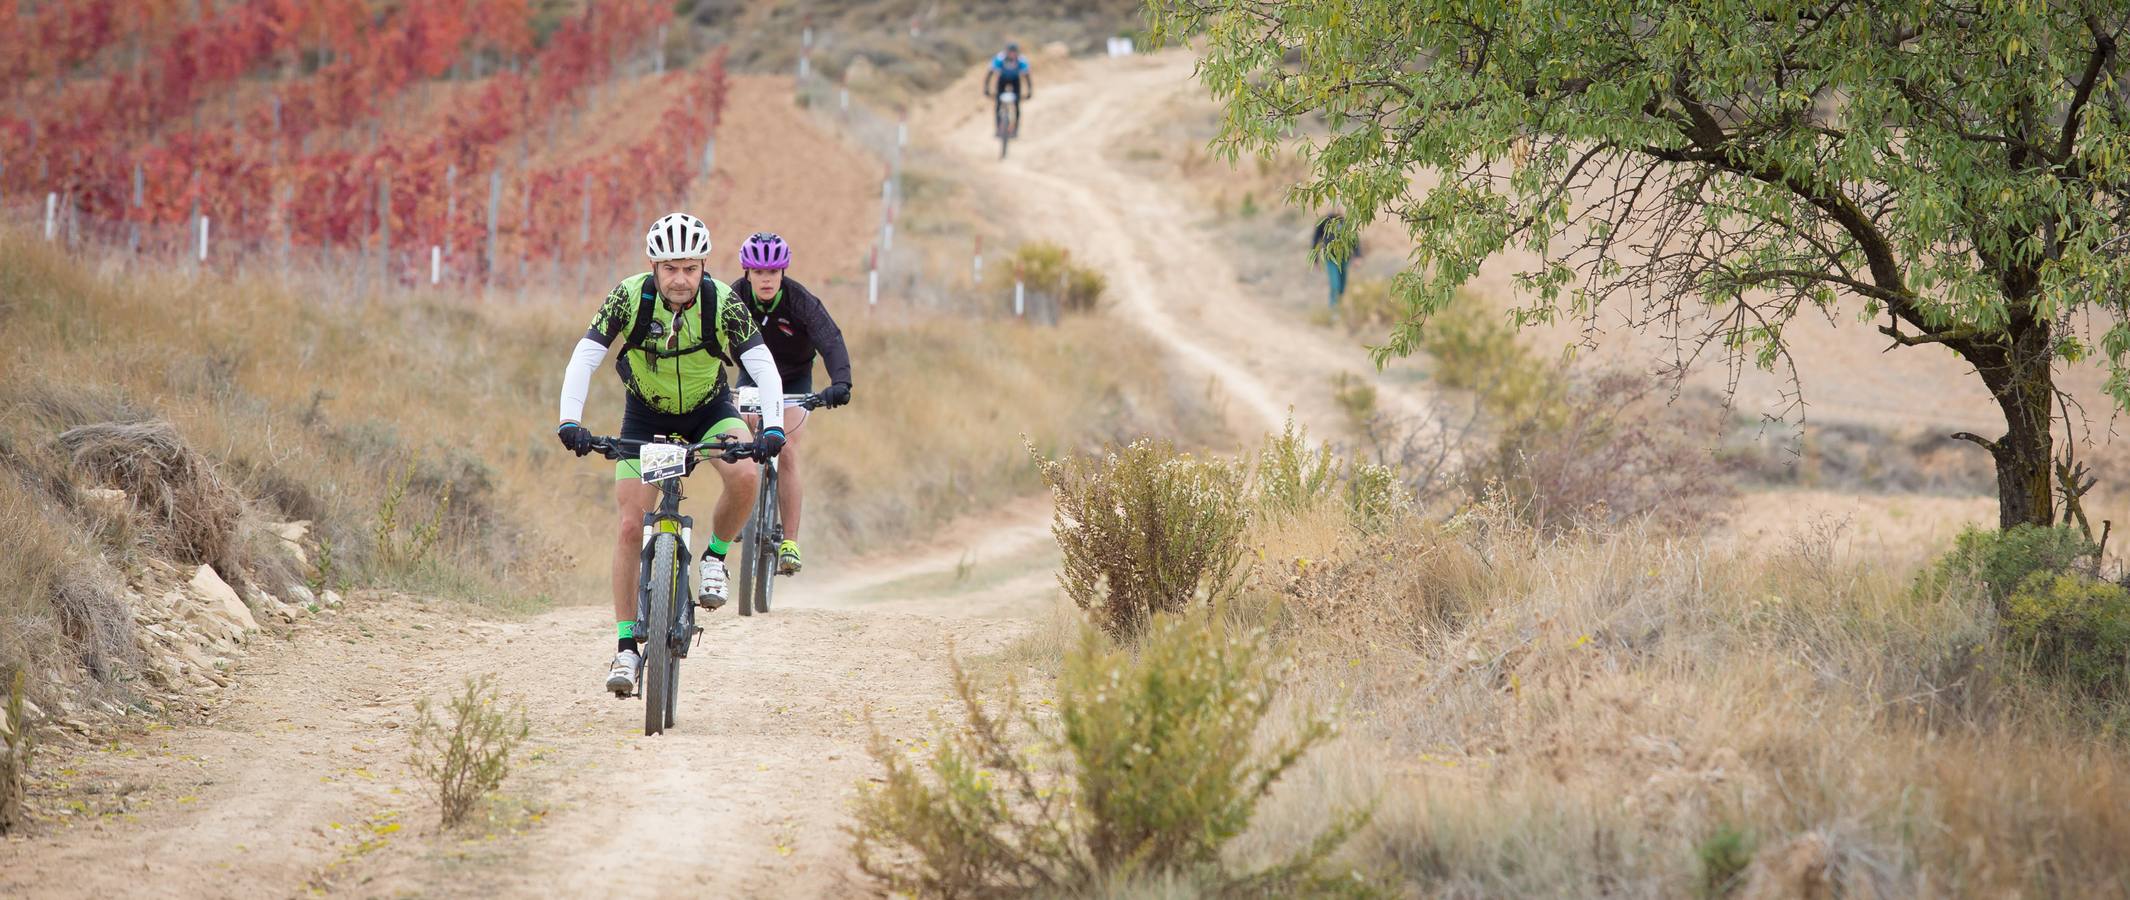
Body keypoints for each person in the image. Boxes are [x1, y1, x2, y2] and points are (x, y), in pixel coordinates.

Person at [554, 213, 787, 697]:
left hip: (709, 410)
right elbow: (586, 355)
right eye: (670, 269)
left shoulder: (723, 302)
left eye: (690, 268)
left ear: (703, 266)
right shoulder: (627, 296)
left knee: (747, 474)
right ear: (654, 268)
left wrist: (775, 428)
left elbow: (763, 367)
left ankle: (715, 558)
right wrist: (569, 421)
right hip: (646, 416)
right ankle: (625, 646)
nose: (680, 279)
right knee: (627, 524)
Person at [729, 232, 854, 577]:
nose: (766, 279)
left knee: (787, 447)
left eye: (773, 272)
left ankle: (790, 542)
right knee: (742, 440)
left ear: (783, 272)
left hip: (794, 380)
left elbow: (830, 339)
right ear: (747, 273)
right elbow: (711, 336)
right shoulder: (733, 298)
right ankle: (742, 511)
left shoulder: (801, 302)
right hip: (752, 376)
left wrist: (840, 382)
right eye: (759, 272)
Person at [1311, 209, 1360, 313]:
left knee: (1342, 286)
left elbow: (1355, 239)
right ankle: (1333, 310)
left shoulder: (1345, 222)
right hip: (1331, 259)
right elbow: (1315, 241)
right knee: (1335, 284)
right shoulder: (1324, 222)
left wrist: (1357, 256)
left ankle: (1340, 306)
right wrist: (1315, 261)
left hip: (1344, 258)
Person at [983, 41, 1033, 137]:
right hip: (1002, 80)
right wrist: (986, 88)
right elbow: (990, 73)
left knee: (1017, 105)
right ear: (1006, 52)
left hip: (1015, 81)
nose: (1012, 55)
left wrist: (1030, 90)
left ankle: (1015, 130)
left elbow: (1027, 76)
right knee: (998, 104)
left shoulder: (1021, 60)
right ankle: (998, 129)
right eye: (1010, 52)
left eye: (1014, 52)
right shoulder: (1000, 58)